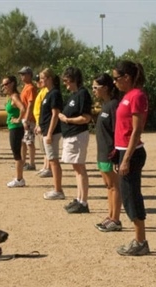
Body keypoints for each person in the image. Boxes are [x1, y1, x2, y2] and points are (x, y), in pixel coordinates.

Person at [112, 61, 149, 255]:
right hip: (122, 150)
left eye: (117, 78)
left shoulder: (137, 96)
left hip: (131, 153)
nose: (114, 82)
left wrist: (126, 158)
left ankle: (140, 241)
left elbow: (137, 130)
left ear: (127, 77)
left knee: (132, 196)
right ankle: (138, 239)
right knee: (127, 196)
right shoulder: (127, 96)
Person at [57, 66, 92, 213]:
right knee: (76, 169)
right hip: (70, 135)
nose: (65, 84)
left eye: (67, 81)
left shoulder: (83, 94)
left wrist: (68, 120)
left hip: (77, 135)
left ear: (75, 80)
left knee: (80, 168)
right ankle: (78, 199)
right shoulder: (74, 95)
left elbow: (86, 118)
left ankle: (83, 202)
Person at [92, 72, 122, 232]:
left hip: (110, 153)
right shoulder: (105, 105)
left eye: (95, 87)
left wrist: (117, 155)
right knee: (108, 186)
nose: (93, 90)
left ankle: (116, 219)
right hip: (102, 152)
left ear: (105, 88)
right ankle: (110, 216)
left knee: (114, 186)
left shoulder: (114, 105)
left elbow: (118, 131)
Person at [38, 68, 64, 200]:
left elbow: (55, 114)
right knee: (52, 159)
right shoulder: (48, 93)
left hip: (52, 132)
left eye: (42, 78)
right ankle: (56, 188)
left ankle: (58, 190)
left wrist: (49, 133)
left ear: (49, 79)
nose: (40, 81)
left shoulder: (54, 94)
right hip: (46, 130)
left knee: (54, 161)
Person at [2, 76, 27, 188]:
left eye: (6, 84)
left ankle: (19, 179)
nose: (4, 86)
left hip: (16, 127)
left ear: (12, 84)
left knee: (16, 153)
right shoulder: (10, 96)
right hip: (13, 127)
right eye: (3, 84)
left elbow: (22, 108)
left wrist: (18, 119)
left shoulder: (15, 96)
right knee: (16, 152)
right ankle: (19, 177)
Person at [18, 67, 38, 171]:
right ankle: (23, 162)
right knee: (24, 141)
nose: (22, 76)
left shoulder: (31, 88)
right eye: (21, 74)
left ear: (30, 75)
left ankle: (32, 163)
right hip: (25, 117)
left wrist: (26, 119)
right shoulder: (25, 87)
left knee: (29, 141)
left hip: (29, 118)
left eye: (24, 74)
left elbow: (31, 104)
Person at [33, 74, 52, 178]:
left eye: (39, 81)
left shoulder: (46, 92)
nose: (38, 83)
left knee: (46, 148)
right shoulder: (41, 92)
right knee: (43, 148)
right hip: (39, 122)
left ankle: (48, 168)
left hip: (43, 123)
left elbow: (44, 111)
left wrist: (39, 124)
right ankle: (45, 166)